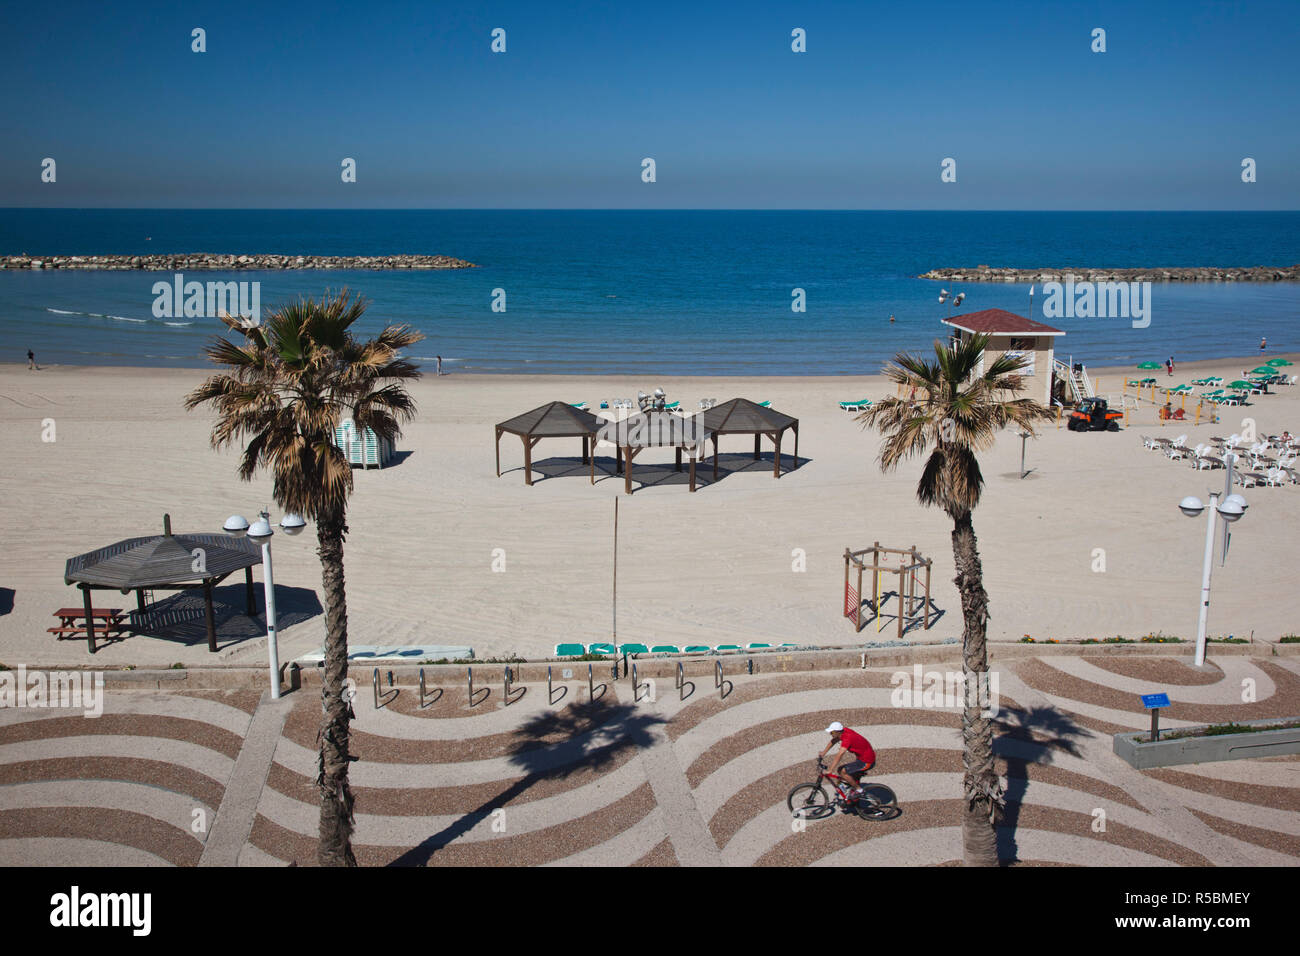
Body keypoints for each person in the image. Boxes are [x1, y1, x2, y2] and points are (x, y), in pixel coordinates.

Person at [818, 721, 876, 799]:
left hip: (867, 761)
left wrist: (830, 770)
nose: (830, 734)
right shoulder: (843, 731)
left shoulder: (847, 738)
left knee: (843, 772)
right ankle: (853, 794)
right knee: (840, 770)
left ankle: (859, 790)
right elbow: (834, 740)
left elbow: (840, 754)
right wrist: (823, 752)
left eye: (832, 732)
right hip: (861, 758)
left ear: (837, 732)